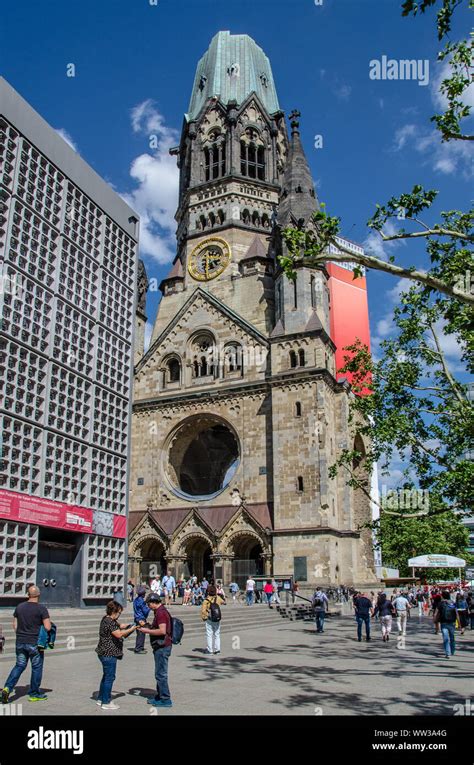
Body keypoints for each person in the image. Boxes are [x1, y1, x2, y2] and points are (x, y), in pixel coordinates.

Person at [2, 585, 51, 704]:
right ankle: (34, 693)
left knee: (19, 666)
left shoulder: (19, 607)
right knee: (36, 668)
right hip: (34, 643)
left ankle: (7, 688)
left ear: (28, 594)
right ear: (38, 595)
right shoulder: (41, 609)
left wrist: (21, 634)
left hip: (20, 642)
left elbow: (15, 625)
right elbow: (47, 627)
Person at [95, 601, 138, 710]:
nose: (119, 615)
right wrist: (132, 629)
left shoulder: (106, 619)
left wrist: (130, 624)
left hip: (102, 652)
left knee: (105, 676)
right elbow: (119, 633)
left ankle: (101, 698)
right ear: (114, 612)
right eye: (119, 613)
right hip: (109, 653)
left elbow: (121, 626)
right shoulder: (110, 622)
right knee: (110, 677)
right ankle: (106, 702)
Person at [138, 594, 173, 707]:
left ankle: (165, 699)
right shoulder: (159, 611)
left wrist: (146, 631)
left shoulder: (161, 613)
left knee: (161, 674)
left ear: (153, 602)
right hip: (160, 646)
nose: (148, 606)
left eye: (149, 604)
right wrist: (147, 626)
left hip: (162, 647)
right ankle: (159, 696)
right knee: (159, 673)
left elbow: (162, 631)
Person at [201, 584, 225, 654]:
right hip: (217, 618)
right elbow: (223, 602)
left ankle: (209, 650)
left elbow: (203, 611)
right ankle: (217, 650)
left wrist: (204, 618)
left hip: (209, 619)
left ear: (208, 592)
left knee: (209, 634)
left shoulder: (206, 600)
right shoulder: (218, 598)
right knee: (217, 634)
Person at [434, 590, 458, 659]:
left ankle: (448, 653)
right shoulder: (453, 603)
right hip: (452, 623)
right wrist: (459, 623)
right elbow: (456, 613)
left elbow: (436, 613)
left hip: (443, 622)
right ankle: (452, 651)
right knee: (452, 637)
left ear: (442, 596)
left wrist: (435, 620)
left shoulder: (440, 603)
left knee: (445, 638)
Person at [133, 587, 150, 654]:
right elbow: (145, 611)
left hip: (136, 618)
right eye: (144, 593)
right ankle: (138, 648)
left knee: (139, 634)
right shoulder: (141, 601)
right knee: (141, 634)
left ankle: (140, 647)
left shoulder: (135, 600)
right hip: (141, 619)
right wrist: (149, 607)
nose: (145, 594)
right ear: (143, 594)